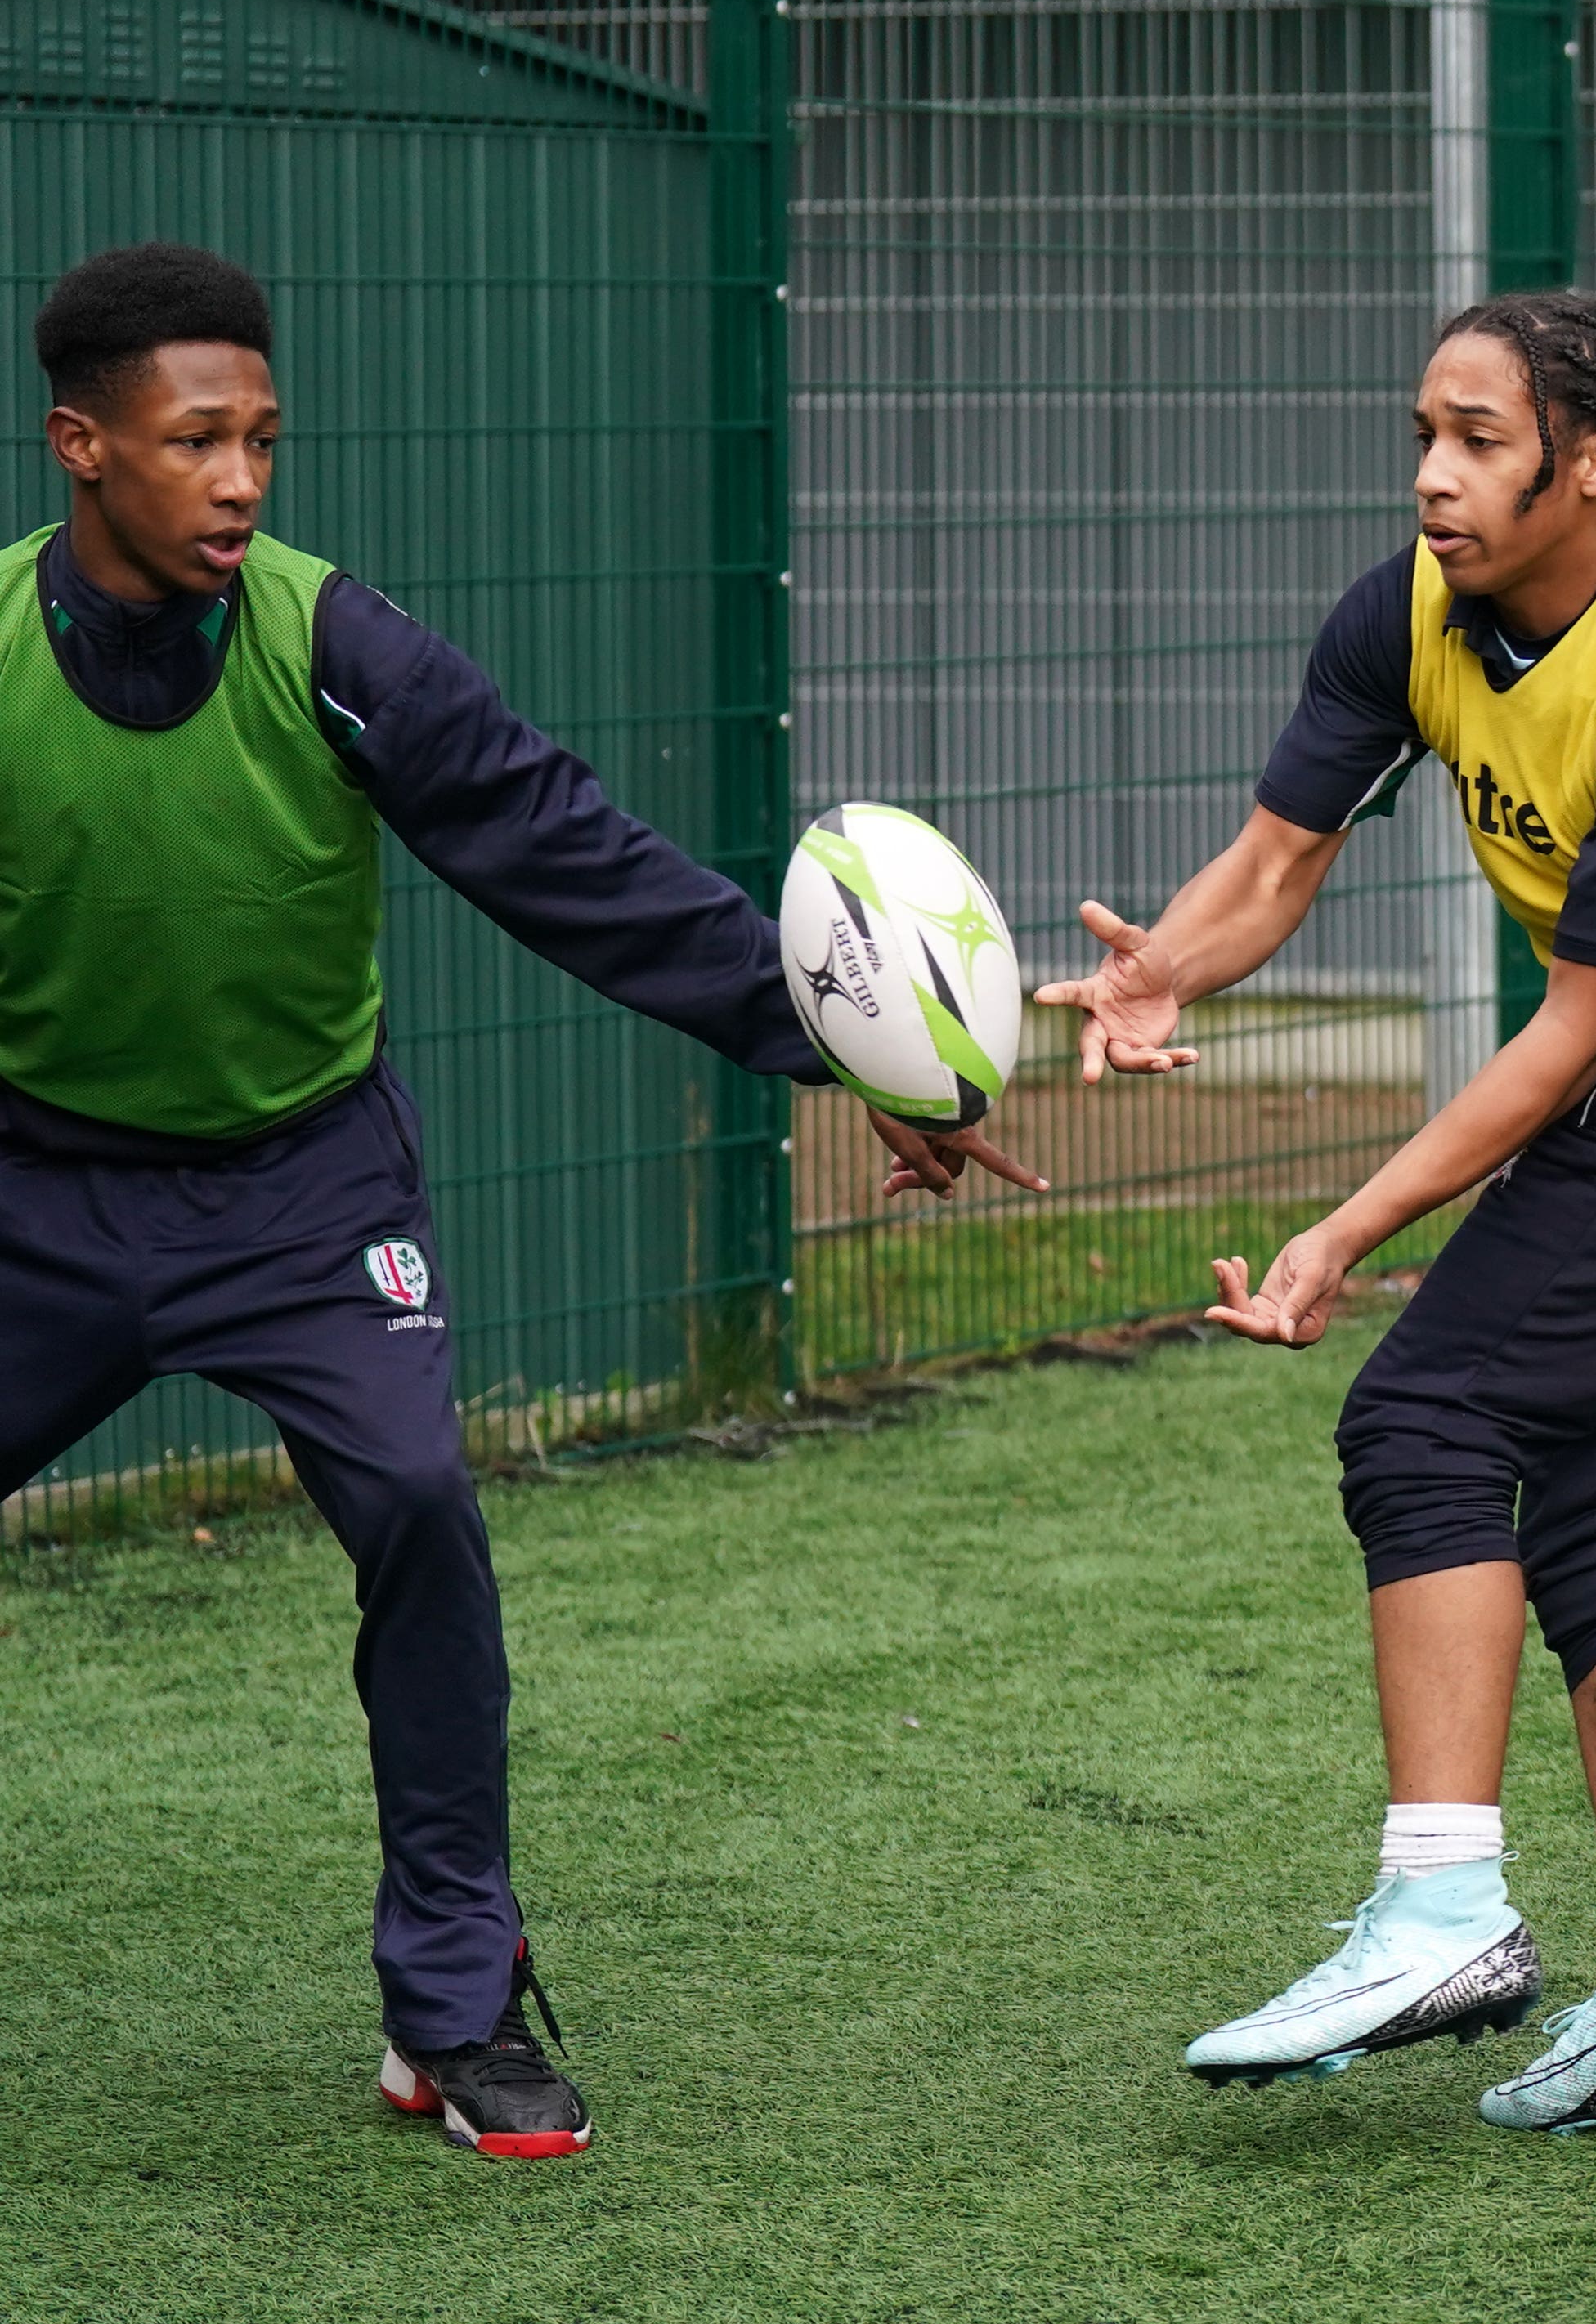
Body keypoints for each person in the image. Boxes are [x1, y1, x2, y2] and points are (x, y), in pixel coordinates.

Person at [0, 243, 1033, 2164]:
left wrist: (837, 1051)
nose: (241, 480)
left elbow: (568, 853)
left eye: (264, 442)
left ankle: (454, 2006)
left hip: (305, 1192)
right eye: (196, 441)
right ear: (80, 445)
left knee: (412, 1505)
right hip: (40, 1191)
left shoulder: (337, 647)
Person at [1047, 290, 1596, 2131]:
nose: (1436, 478)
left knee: (1429, 1416)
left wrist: (1342, 1232)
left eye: (1481, 441)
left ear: (1595, 466)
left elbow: (1572, 1040)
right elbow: (1283, 850)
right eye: (1425, 434)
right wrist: (1167, 974)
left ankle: (1442, 1909)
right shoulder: (1414, 608)